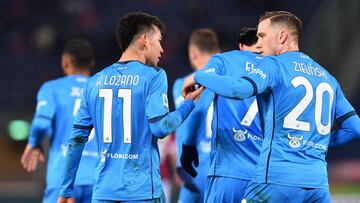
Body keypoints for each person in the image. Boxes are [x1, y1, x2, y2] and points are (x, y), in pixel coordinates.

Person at [182, 11, 360, 202]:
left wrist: (199, 76)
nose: (259, 44)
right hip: (318, 186)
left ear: (282, 36)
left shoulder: (274, 66)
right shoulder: (328, 78)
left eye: (262, 36)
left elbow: (237, 90)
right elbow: (355, 128)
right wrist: (315, 143)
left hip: (276, 180)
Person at [57, 12, 199, 203]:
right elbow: (161, 127)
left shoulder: (94, 81)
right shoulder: (154, 76)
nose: (162, 49)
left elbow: (76, 139)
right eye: (159, 41)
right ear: (144, 40)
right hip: (142, 192)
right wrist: (188, 104)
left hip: (103, 193)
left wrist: (66, 190)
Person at [180, 27, 263, 202]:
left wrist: (187, 146)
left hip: (226, 172)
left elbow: (200, 108)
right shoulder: (274, 68)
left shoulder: (224, 62)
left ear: (241, 46)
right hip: (263, 177)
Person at [20, 39, 98, 203]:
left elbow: (41, 125)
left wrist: (34, 142)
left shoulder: (52, 89)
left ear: (65, 61)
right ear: (92, 63)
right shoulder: (104, 91)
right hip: (99, 180)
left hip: (62, 179)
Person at [172, 28, 219, 203]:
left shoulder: (182, 84)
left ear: (193, 53)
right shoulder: (228, 81)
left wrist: (180, 165)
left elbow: (183, 125)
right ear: (217, 51)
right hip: (221, 168)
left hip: (193, 168)